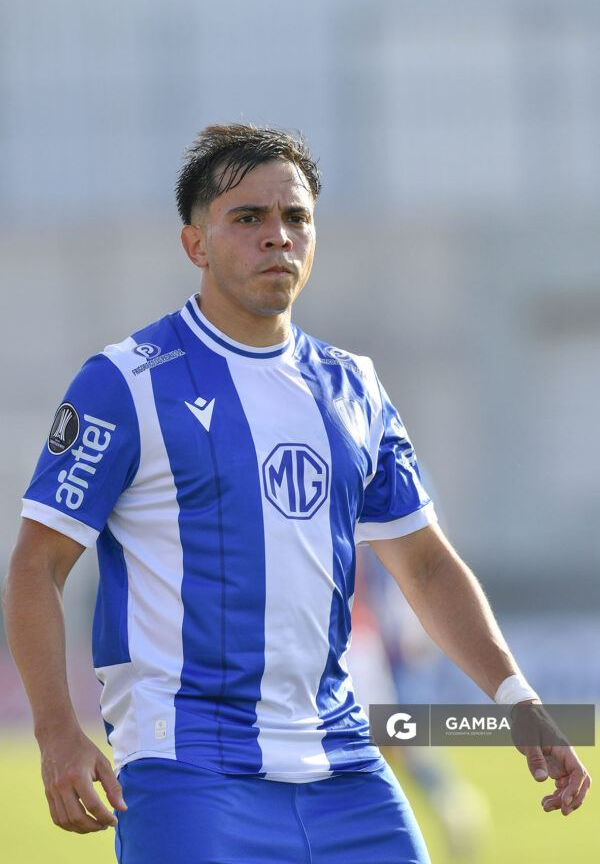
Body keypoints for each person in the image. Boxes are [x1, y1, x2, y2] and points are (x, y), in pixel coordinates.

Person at [2, 124, 590, 864]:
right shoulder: (124, 383)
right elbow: (36, 565)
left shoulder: (356, 388)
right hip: (190, 771)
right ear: (197, 245)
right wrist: (57, 731)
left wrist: (518, 701)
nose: (277, 236)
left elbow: (428, 567)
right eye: (247, 218)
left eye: (296, 217)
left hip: (345, 766)